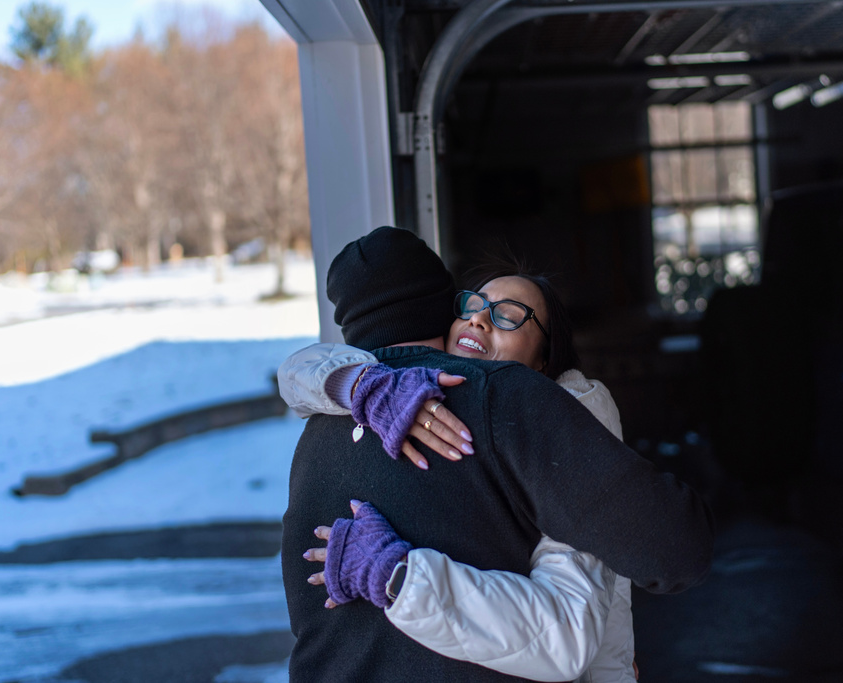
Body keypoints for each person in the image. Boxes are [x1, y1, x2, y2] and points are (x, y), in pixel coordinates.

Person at [280, 226, 713, 682]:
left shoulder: (311, 440)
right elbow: (675, 552)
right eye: (473, 305)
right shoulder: (501, 401)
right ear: (444, 309)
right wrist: (399, 577)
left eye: (510, 315)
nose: (480, 320)